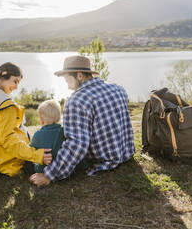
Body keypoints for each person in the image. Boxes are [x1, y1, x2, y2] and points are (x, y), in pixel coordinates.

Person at [30, 55, 135, 186]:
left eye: (67, 80)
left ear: (79, 76)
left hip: (104, 161)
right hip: (125, 153)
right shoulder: (118, 89)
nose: (68, 86)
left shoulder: (77, 100)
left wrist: (49, 175)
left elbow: (77, 144)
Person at [0, 62, 52, 177]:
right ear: (4, 75)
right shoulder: (5, 104)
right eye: (15, 81)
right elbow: (8, 140)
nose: (17, 87)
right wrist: (37, 155)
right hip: (5, 163)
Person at [30, 100, 64, 173]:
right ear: (59, 118)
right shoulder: (64, 132)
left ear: (41, 120)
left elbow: (31, 151)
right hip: (60, 168)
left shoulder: (38, 135)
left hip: (42, 170)